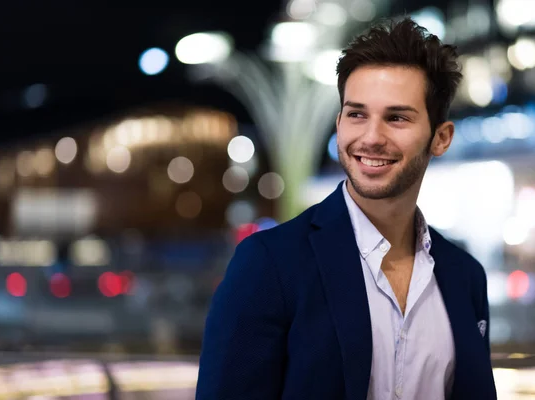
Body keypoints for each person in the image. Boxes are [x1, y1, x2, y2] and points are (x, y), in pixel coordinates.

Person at [196, 17, 497, 400]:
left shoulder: (464, 276)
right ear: (339, 124)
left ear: (441, 138)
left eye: (397, 117)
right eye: (356, 114)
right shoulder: (270, 265)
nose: (371, 137)